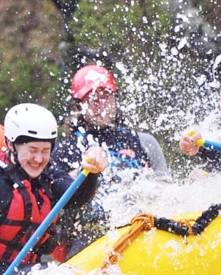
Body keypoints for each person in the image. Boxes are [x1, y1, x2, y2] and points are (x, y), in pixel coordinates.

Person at [51, 64, 169, 258]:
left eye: (105, 96)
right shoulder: (63, 151)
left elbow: (166, 191)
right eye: (91, 98)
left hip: (140, 228)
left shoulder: (145, 143)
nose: (99, 103)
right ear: (78, 105)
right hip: (89, 237)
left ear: (115, 98)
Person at [0, 103, 107, 275]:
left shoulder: (48, 176)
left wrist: (90, 172)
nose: (38, 159)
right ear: (11, 144)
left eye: (45, 150)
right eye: (32, 150)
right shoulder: (0, 184)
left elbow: (77, 197)